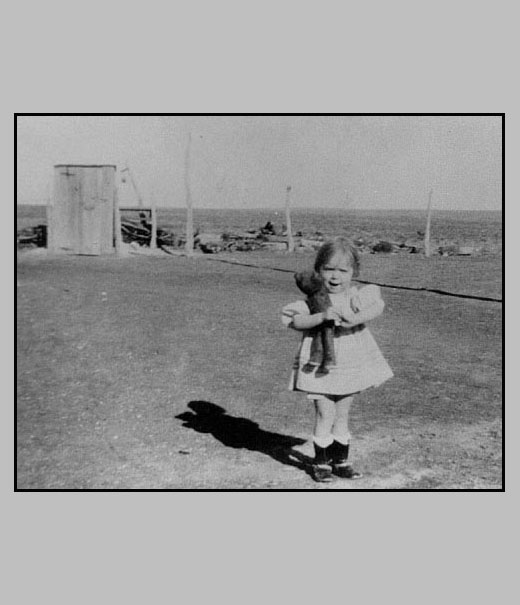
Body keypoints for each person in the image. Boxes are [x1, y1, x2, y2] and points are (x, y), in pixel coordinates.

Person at [282, 237, 393, 482]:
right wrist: (321, 317)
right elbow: (295, 320)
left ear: (354, 272)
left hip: (350, 365)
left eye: (343, 270)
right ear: (318, 270)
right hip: (320, 367)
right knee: (324, 413)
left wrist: (353, 319)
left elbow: (378, 306)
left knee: (342, 414)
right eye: (329, 269)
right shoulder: (313, 299)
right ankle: (321, 463)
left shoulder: (355, 296)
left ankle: (341, 460)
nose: (335, 277)